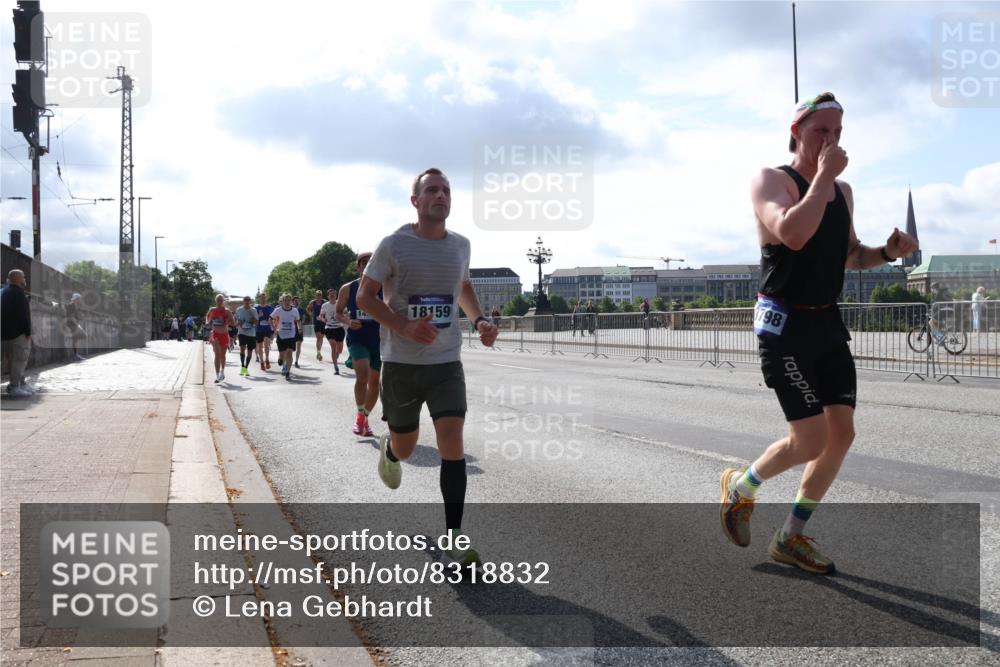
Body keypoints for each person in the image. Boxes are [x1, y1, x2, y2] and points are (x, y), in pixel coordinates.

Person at [721, 92, 918, 575]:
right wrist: (824, 177)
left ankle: (790, 536)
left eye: (838, 132)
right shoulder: (772, 180)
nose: (831, 141)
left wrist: (886, 253)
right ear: (796, 133)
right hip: (784, 325)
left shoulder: (842, 191)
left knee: (841, 435)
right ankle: (741, 487)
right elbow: (792, 233)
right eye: (821, 131)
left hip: (826, 322)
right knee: (810, 440)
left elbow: (850, 255)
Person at [358, 167, 498, 569]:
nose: (441, 196)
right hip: (401, 365)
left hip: (445, 362)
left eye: (446, 190)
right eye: (432, 190)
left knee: (451, 440)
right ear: (415, 201)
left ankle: (454, 537)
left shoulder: (461, 245)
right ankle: (390, 449)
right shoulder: (394, 245)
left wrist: (478, 320)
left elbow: (463, 286)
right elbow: (365, 297)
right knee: (405, 445)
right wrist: (402, 325)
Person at [336, 252, 381, 436]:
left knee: (375, 382)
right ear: (358, 267)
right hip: (357, 337)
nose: (367, 265)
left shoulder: (385, 287)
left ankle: (364, 418)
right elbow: (338, 312)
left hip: (378, 339)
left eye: (371, 262)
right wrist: (348, 321)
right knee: (362, 374)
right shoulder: (348, 288)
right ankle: (360, 414)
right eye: (363, 263)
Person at [2, 269, 35, 397]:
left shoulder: (6, 292)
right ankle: (15, 387)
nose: (25, 279)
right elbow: (23, 315)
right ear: (18, 278)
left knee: (15, 360)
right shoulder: (17, 293)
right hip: (18, 333)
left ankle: (20, 384)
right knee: (19, 360)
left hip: (8, 333)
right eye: (23, 277)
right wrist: (28, 332)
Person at [269, 293, 301, 381]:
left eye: (289, 300)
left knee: (289, 352)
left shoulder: (294, 310)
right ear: (282, 301)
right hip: (281, 335)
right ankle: (281, 359)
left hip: (291, 334)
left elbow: (298, 321)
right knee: (282, 356)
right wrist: (274, 329)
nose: (287, 302)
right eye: (285, 300)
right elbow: (270, 319)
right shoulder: (278, 310)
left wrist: (299, 328)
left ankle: (288, 372)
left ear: (291, 301)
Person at [206, 295, 237, 383]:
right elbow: (207, 317)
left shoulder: (227, 311)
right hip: (215, 334)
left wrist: (227, 321)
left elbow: (233, 323)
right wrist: (208, 322)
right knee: (217, 354)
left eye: (221, 300)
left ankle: (222, 372)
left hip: (224, 335)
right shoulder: (212, 310)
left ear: (223, 301)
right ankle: (217, 376)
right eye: (218, 300)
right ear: (215, 301)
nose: (219, 302)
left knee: (222, 356)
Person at [319, 288, 345, 375]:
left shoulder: (340, 303)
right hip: (329, 328)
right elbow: (321, 316)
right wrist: (323, 319)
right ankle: (336, 367)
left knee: (340, 350)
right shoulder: (325, 305)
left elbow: (345, 313)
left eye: (334, 294)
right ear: (328, 296)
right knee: (333, 346)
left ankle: (337, 353)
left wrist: (344, 316)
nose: (332, 295)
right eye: (331, 294)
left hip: (339, 328)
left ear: (336, 295)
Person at [234, 296, 259, 377]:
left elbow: (256, 322)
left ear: (250, 301)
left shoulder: (254, 310)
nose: (247, 301)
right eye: (245, 300)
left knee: (250, 351)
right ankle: (242, 367)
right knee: (242, 349)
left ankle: (246, 368)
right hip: (242, 332)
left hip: (251, 333)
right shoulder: (239, 310)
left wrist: (253, 320)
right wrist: (238, 323)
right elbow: (235, 322)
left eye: (248, 300)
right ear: (243, 301)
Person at [64, 293, 87, 361]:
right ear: (76, 299)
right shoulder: (72, 306)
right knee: (77, 338)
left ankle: (75, 355)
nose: (80, 300)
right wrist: (77, 325)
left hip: (72, 324)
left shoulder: (73, 305)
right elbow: (71, 316)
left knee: (76, 339)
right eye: (79, 299)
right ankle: (75, 355)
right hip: (72, 324)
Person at [255, 294, 275, 371]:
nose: (263, 299)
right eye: (261, 298)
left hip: (267, 329)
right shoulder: (256, 308)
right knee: (260, 346)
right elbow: (253, 319)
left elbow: (274, 318)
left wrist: (273, 328)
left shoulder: (269, 308)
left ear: (266, 299)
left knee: (266, 345)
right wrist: (258, 316)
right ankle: (261, 362)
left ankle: (267, 359)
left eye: (264, 298)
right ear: (259, 299)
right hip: (259, 329)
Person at [308, 290, 325, 361]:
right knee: (318, 337)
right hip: (316, 322)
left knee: (322, 338)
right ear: (315, 296)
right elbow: (308, 309)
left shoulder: (324, 302)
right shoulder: (313, 302)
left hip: (323, 322)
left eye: (320, 295)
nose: (318, 296)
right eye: (317, 295)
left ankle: (319, 350)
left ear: (321, 295)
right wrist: (311, 315)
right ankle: (318, 352)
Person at [292, 296, 306, 368]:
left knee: (299, 345)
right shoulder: (290, 309)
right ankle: (289, 359)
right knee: (291, 347)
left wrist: (301, 322)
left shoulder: (301, 310)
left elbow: (303, 319)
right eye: (295, 301)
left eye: (298, 301)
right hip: (291, 329)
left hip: (299, 328)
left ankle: (296, 361)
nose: (297, 302)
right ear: (292, 302)